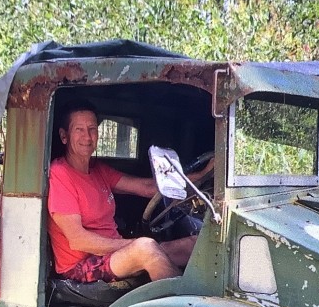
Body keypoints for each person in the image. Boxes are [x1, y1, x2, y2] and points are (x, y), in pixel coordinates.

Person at [47, 101, 212, 284]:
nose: (87, 136)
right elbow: (78, 240)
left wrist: (204, 174)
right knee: (146, 248)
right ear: (64, 136)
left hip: (113, 254)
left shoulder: (98, 170)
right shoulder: (60, 174)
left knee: (195, 244)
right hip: (80, 267)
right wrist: (133, 244)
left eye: (92, 129)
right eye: (79, 129)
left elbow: (149, 188)